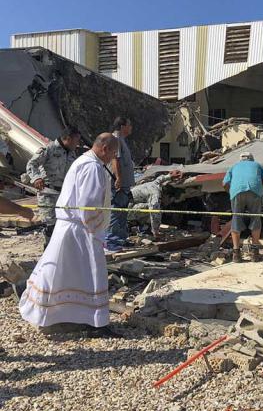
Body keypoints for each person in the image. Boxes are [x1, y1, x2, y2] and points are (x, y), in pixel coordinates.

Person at [19, 133, 119, 332]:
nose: (113, 158)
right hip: (81, 230)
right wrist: (97, 230)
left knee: (60, 272)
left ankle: (61, 316)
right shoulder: (92, 167)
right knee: (88, 274)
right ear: (104, 148)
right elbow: (88, 205)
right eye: (113, 153)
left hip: (71, 227)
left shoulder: (83, 160)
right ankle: (93, 321)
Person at [26, 126, 81, 244]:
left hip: (63, 195)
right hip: (48, 194)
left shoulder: (72, 153)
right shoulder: (49, 149)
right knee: (50, 227)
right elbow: (32, 164)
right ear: (68, 138)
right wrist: (36, 178)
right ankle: (48, 255)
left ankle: (59, 255)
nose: (78, 143)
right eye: (76, 140)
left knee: (62, 226)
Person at [222, 152, 263, 263]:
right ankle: (254, 254)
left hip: (236, 193)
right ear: (252, 159)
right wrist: (262, 189)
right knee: (255, 219)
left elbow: (224, 183)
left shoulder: (233, 167)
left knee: (236, 220)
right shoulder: (258, 165)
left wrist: (230, 192)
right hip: (255, 192)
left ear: (240, 160)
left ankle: (236, 254)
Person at [106, 117, 135, 250]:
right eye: (129, 125)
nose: (131, 128)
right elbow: (115, 160)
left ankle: (121, 239)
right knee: (116, 213)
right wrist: (118, 178)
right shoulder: (115, 140)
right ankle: (112, 241)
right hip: (118, 185)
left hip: (124, 185)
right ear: (122, 126)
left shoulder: (121, 140)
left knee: (122, 213)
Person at [130, 170, 183, 237]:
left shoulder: (155, 184)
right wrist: (156, 232)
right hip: (127, 211)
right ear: (167, 195)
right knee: (155, 209)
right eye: (169, 199)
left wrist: (170, 176)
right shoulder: (155, 195)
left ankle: (142, 227)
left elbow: (160, 178)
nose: (169, 202)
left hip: (129, 204)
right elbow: (155, 215)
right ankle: (144, 229)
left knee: (153, 208)